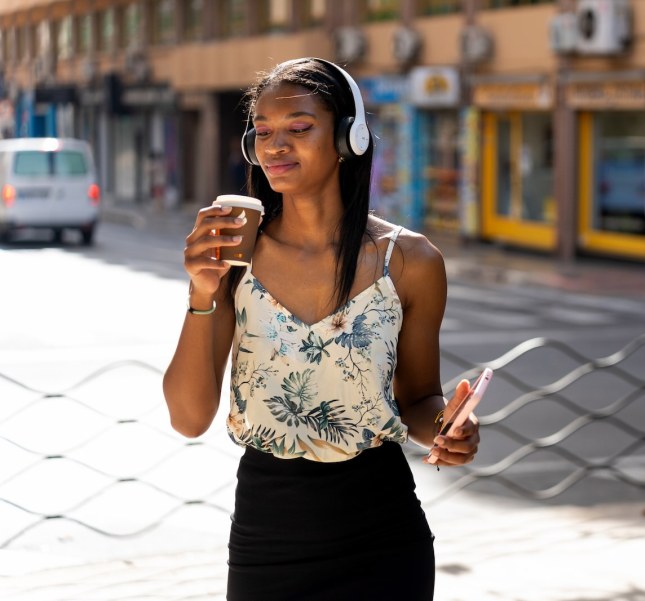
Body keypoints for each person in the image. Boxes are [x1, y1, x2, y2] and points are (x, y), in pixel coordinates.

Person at [162, 57, 481, 601]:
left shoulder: (410, 262)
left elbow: (418, 400)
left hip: (384, 536)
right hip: (270, 535)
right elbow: (189, 419)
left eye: (299, 129)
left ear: (347, 139)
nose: (274, 146)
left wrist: (448, 431)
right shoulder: (233, 258)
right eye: (262, 132)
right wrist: (201, 292)